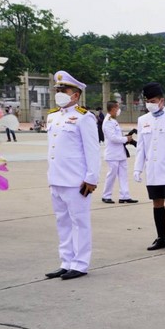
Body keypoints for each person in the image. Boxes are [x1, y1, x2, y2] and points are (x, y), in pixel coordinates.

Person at [44, 70, 101, 281]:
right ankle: (66, 261)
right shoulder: (52, 116)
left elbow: (92, 151)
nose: (59, 92)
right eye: (57, 89)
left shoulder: (84, 118)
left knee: (80, 222)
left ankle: (80, 263)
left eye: (63, 89)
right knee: (63, 222)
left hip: (76, 181)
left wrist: (91, 179)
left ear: (75, 95)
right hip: (56, 179)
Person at [134, 82, 165, 251]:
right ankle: (161, 237)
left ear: (162, 101)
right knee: (157, 203)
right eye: (148, 100)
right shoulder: (143, 120)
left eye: (153, 100)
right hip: (153, 170)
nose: (150, 103)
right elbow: (141, 146)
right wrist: (137, 168)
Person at [101, 101, 137, 204]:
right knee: (111, 175)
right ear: (113, 109)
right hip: (112, 154)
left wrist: (126, 137)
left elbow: (117, 136)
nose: (119, 110)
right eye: (118, 108)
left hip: (120, 153)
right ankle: (106, 195)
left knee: (123, 175)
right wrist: (126, 139)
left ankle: (125, 196)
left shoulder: (113, 121)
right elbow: (113, 138)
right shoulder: (108, 121)